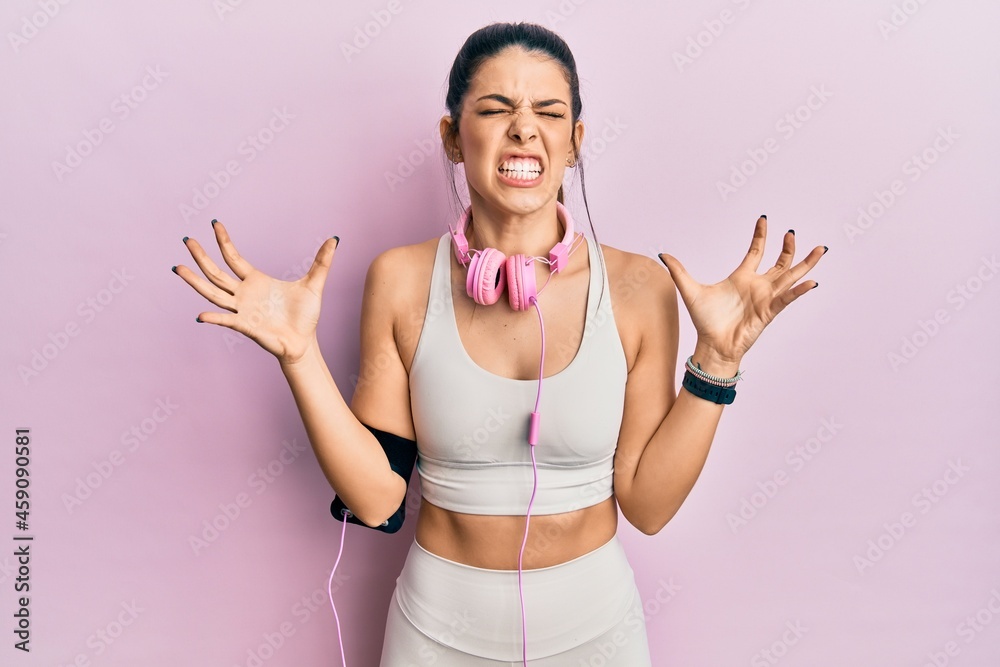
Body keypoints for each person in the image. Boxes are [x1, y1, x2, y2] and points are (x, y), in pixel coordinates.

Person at [172, 21, 826, 666]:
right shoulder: (399, 281)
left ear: (574, 141)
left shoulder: (638, 288)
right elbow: (377, 498)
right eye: (494, 108)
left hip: (597, 632)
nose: (523, 127)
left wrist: (717, 361)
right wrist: (299, 356)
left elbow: (648, 506)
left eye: (548, 111)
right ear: (453, 138)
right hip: (435, 632)